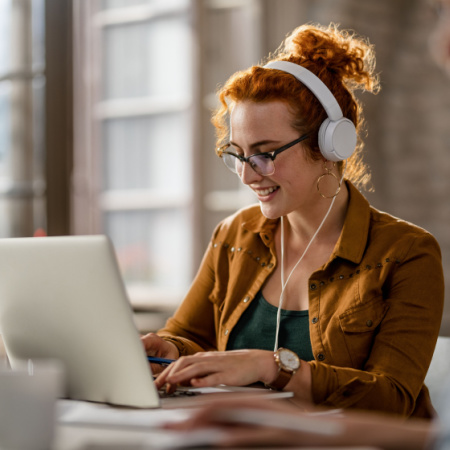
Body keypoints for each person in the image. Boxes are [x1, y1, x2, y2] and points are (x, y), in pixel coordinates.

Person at [141, 22, 444, 418]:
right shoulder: (235, 235)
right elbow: (188, 335)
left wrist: (274, 367)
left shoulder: (406, 254)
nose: (248, 176)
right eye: (238, 155)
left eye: (265, 154)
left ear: (330, 144)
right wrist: (171, 350)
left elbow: (392, 399)